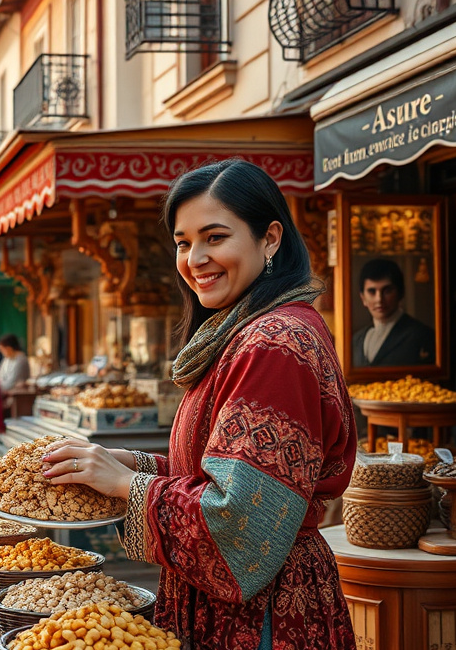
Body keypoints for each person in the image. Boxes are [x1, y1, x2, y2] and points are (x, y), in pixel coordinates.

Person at [42, 160, 357, 648]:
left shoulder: (271, 345)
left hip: (264, 617)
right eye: (184, 242)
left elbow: (241, 524)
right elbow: (226, 472)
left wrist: (128, 484)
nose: (195, 259)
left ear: (270, 239)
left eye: (215, 237)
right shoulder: (241, 331)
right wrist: (131, 464)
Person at [352, 258, 435, 367]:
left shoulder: (423, 335)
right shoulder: (357, 339)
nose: (379, 299)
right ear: (363, 298)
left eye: (387, 291)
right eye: (372, 291)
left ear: (400, 293)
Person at [0, 334, 31, 433]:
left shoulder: (21, 359)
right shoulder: (7, 359)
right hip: (4, 391)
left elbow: (12, 382)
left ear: (9, 348)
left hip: (15, 395)